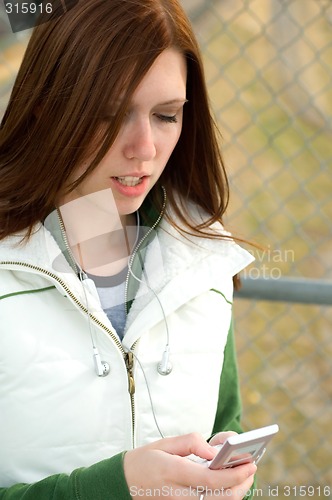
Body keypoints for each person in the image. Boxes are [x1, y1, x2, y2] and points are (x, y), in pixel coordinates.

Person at [0, 1, 257, 498]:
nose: (144, 147)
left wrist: (229, 481)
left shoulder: (204, 257)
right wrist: (113, 488)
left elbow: (225, 423)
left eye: (166, 116)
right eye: (110, 115)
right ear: (45, 107)